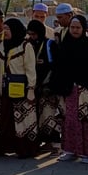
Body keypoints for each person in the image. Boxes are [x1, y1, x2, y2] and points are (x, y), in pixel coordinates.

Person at [53, 14, 88, 163]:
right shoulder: (65, 45)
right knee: (69, 121)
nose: (75, 30)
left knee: (85, 122)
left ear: (83, 29)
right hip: (69, 91)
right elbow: (59, 68)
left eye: (78, 27)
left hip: (86, 91)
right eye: (72, 27)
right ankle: (70, 151)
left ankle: (87, 153)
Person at [0, 18, 39, 158]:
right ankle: (3, 147)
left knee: (22, 121)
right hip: (3, 90)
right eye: (4, 29)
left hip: (20, 91)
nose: (5, 32)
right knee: (4, 119)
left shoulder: (25, 46)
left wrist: (31, 89)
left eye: (8, 29)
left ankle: (24, 149)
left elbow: (30, 69)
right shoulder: (1, 45)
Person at [26, 19, 61, 154]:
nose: (32, 37)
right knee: (38, 116)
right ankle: (42, 142)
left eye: (34, 34)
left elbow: (56, 65)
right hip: (35, 87)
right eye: (30, 34)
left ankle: (54, 143)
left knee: (49, 116)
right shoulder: (29, 45)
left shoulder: (49, 44)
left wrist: (45, 63)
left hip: (48, 87)